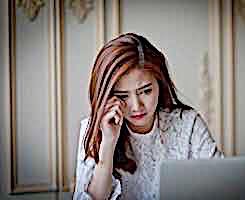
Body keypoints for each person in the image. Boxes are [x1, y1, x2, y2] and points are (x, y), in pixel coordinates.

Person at [73, 33, 223, 200]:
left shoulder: (188, 123)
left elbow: (224, 185)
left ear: (160, 82)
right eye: (123, 96)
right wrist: (108, 144)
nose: (137, 107)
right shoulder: (92, 128)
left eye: (145, 91)